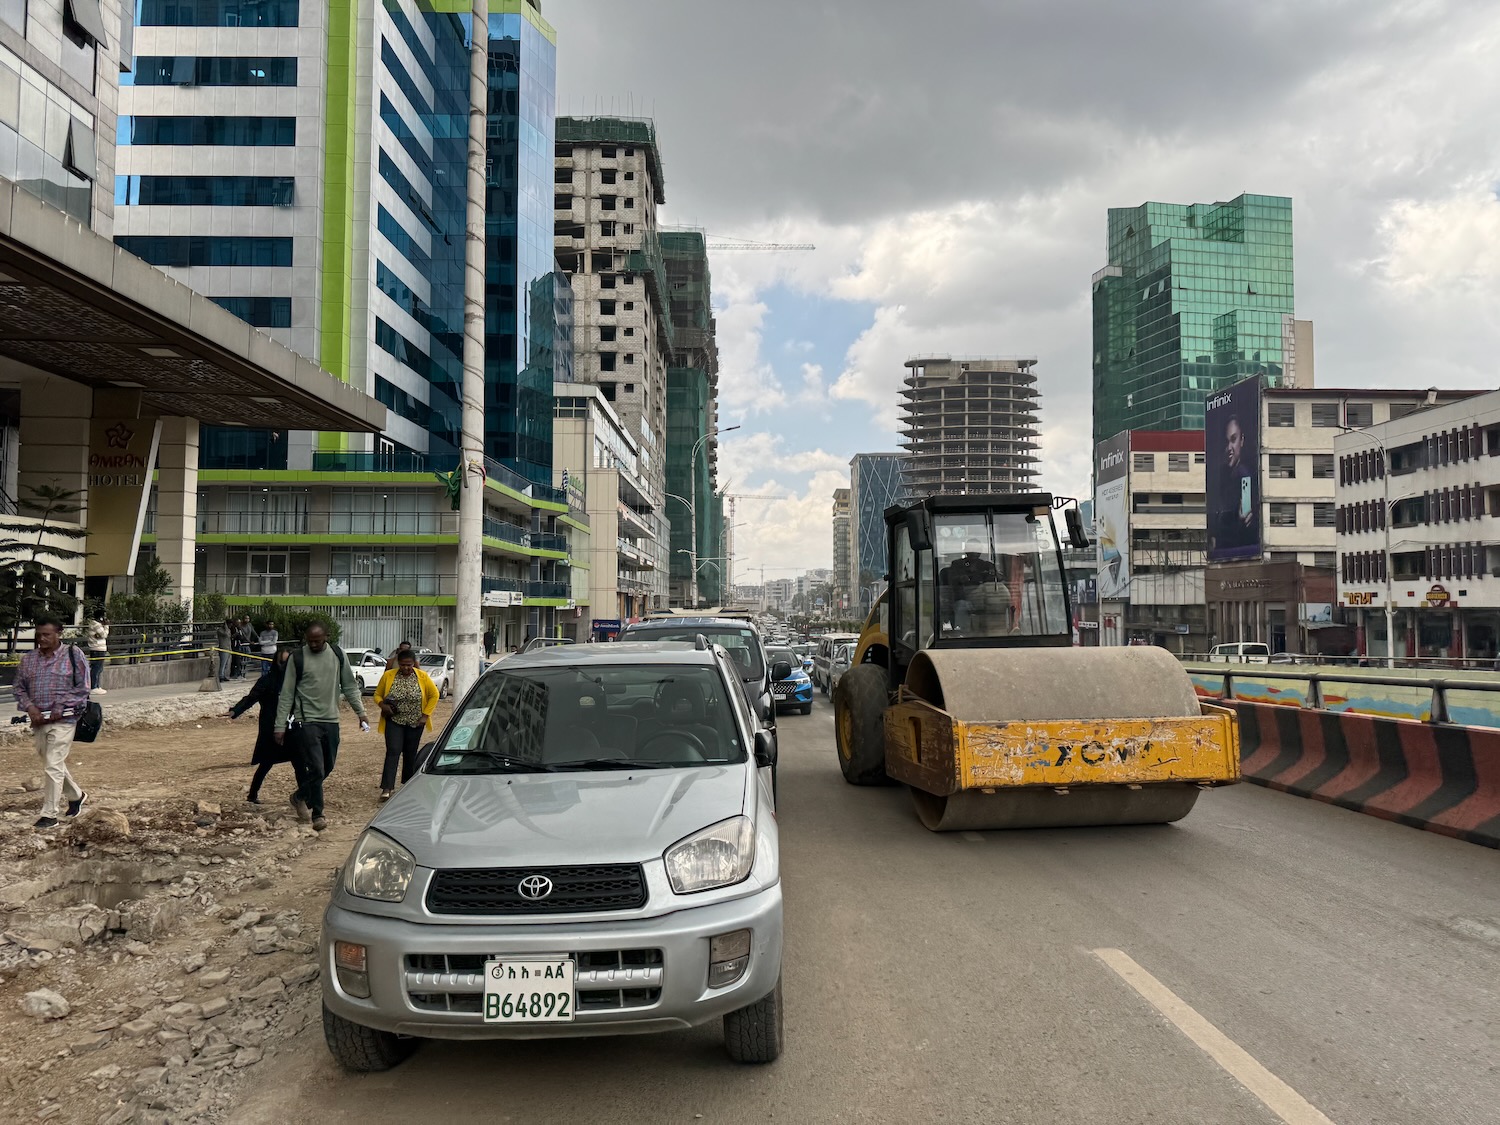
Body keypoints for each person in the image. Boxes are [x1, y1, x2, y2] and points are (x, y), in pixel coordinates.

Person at [275, 624, 369, 832]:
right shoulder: (297, 658)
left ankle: (299, 796)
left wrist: (361, 713)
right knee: (317, 767)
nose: (314, 644)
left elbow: (350, 686)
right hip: (306, 720)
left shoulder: (337, 654)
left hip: (331, 719)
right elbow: (287, 693)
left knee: (328, 766)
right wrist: (279, 725)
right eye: (310, 641)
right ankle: (318, 813)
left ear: (326, 637)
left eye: (318, 640)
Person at [15, 617, 91, 830]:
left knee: (53, 763)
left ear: (59, 633)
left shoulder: (73, 655)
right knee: (52, 763)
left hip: (65, 719)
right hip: (39, 720)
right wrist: (30, 707)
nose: (42, 638)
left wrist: (61, 706)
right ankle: (76, 796)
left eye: (47, 634)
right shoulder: (29, 659)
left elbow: (83, 687)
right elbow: (19, 688)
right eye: (39, 634)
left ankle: (50, 814)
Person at [372, 649, 439, 801]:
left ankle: (407, 786)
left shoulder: (422, 677)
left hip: (415, 723)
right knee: (393, 751)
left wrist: (425, 716)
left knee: (410, 754)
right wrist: (382, 705)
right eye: (402, 665)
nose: (405, 668)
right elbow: (377, 694)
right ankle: (387, 788)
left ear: (414, 664)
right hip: (394, 720)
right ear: (398, 664)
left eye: (408, 665)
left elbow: (434, 695)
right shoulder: (389, 676)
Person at [230, 648, 293, 803]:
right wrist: (235, 711)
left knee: (299, 761)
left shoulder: (297, 682)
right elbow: (251, 698)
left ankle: (303, 797)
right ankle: (252, 794)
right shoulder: (267, 680)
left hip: (292, 727)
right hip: (271, 727)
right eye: (282, 662)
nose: (285, 666)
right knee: (266, 763)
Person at [1210, 412, 1257, 554]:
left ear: (1242, 440)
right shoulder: (1222, 476)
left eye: (1233, 439)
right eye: (1227, 442)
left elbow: (1245, 520)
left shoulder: (1245, 476)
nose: (1229, 447)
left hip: (1241, 552)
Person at [84, 612, 109, 694]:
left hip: (98, 648)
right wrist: (106, 626)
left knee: (98, 668)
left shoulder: (95, 624)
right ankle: (93, 686)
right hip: (97, 648)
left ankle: (97, 685)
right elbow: (104, 634)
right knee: (96, 668)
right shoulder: (96, 625)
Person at [216, 618, 235, 682]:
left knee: (227, 664)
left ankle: (224, 675)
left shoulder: (229, 630)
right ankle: (221, 676)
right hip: (223, 648)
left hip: (228, 648)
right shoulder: (220, 630)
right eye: (229, 624)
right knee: (223, 664)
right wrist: (225, 627)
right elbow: (226, 634)